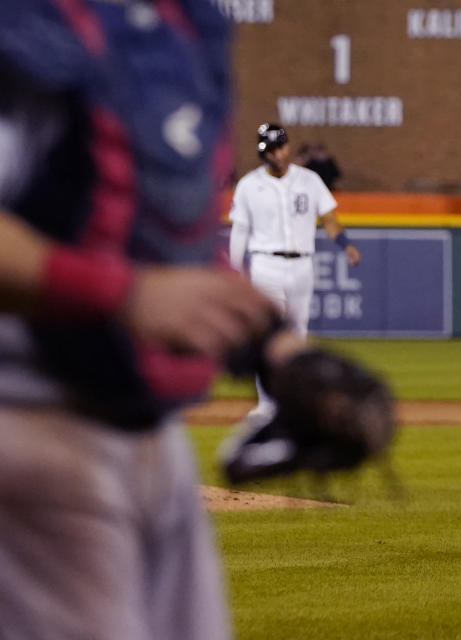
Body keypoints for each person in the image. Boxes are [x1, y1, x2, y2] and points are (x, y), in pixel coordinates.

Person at [0, 2, 301, 638]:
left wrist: (277, 353)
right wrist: (126, 293)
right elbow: (138, 284)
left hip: (148, 438)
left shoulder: (178, 27)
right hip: (30, 428)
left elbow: (159, 244)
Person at [229, 123, 361, 424]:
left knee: (298, 331)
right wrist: (235, 271)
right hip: (266, 264)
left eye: (279, 147)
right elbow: (240, 231)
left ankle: (294, 400)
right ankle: (266, 404)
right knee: (269, 334)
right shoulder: (250, 184)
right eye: (269, 150)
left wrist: (344, 243)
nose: (276, 154)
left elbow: (328, 218)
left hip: (303, 264)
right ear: (262, 153)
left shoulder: (309, 180)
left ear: (287, 147)